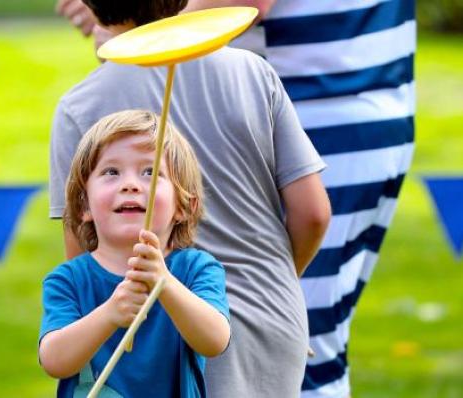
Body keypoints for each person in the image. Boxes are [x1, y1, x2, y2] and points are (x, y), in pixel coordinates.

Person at [50, 1, 331, 397]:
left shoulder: (79, 106)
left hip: (157, 338)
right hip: (272, 317)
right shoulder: (253, 71)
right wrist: (275, 280)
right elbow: (313, 214)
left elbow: (83, 254)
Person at [180, 1, 416, 397]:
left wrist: (134, 30)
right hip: (356, 107)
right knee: (309, 344)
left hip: (318, 116)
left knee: (291, 350)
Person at [40, 109, 231, 397]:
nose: (130, 184)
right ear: (84, 206)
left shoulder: (197, 269)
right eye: (111, 172)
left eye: (150, 172)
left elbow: (214, 340)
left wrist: (164, 284)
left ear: (184, 206)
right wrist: (110, 313)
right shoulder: (68, 280)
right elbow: (54, 361)